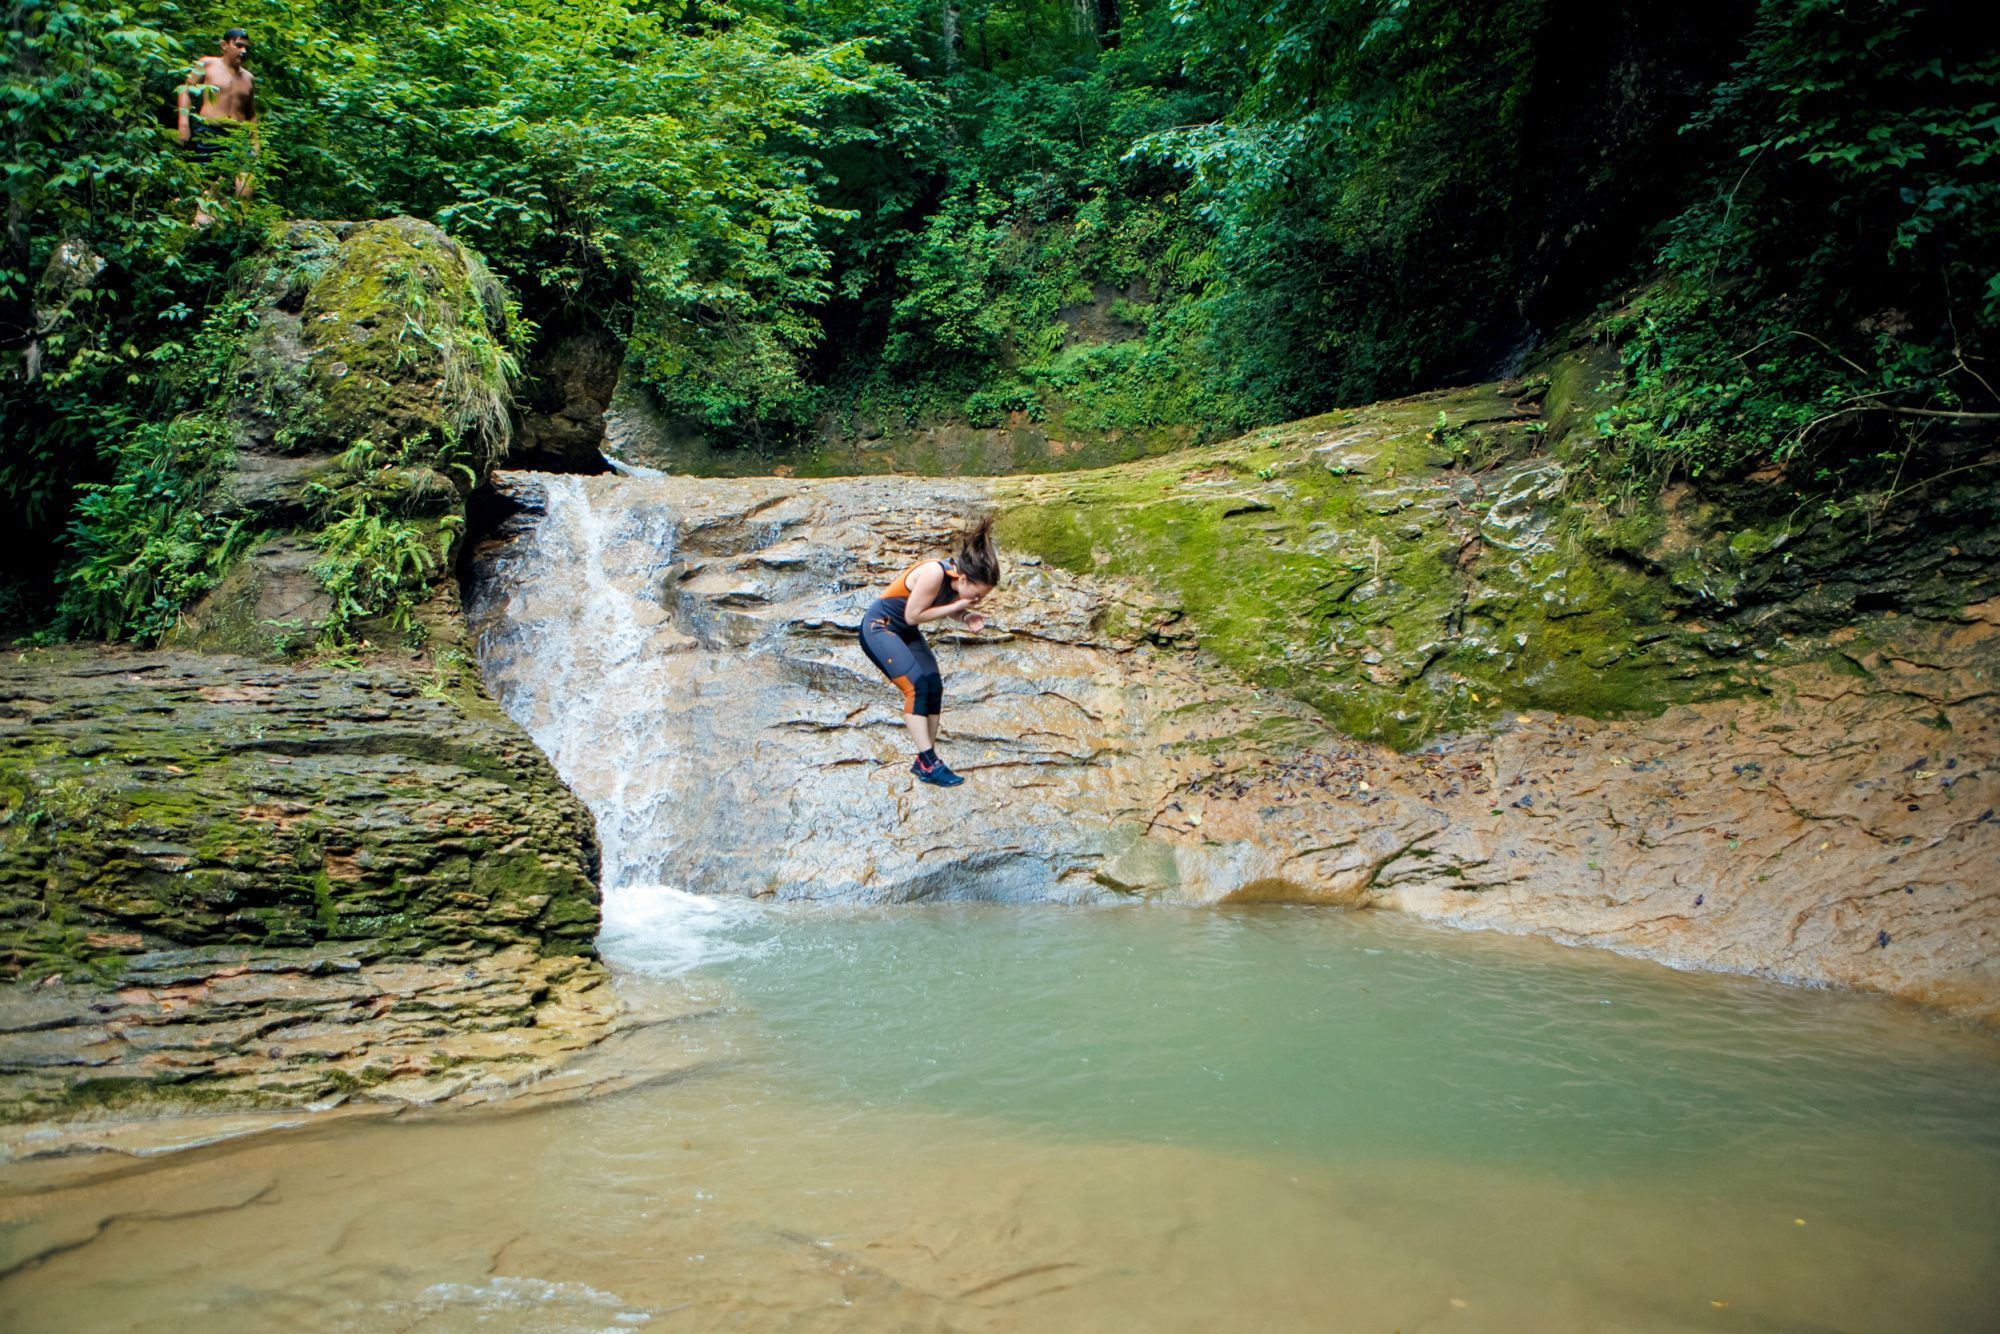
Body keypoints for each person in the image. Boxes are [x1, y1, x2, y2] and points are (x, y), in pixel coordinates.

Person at [858, 518, 1001, 787]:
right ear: (963, 577)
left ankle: (926, 762)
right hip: (879, 628)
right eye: (978, 594)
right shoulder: (934, 573)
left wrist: (966, 615)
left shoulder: (957, 583)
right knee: (916, 686)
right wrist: (958, 608)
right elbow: (913, 616)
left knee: (933, 685)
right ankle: (928, 760)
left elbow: (944, 606)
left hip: (904, 632)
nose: (978, 599)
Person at [177, 28, 257, 225]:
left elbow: (251, 113)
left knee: (246, 183)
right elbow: (185, 90)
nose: (243, 51)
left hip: (237, 136)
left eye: (246, 47)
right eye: (238, 45)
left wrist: (255, 141)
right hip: (209, 132)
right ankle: (202, 225)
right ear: (224, 46)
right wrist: (183, 122)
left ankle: (237, 226)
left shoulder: (248, 78)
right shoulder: (206, 64)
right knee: (209, 185)